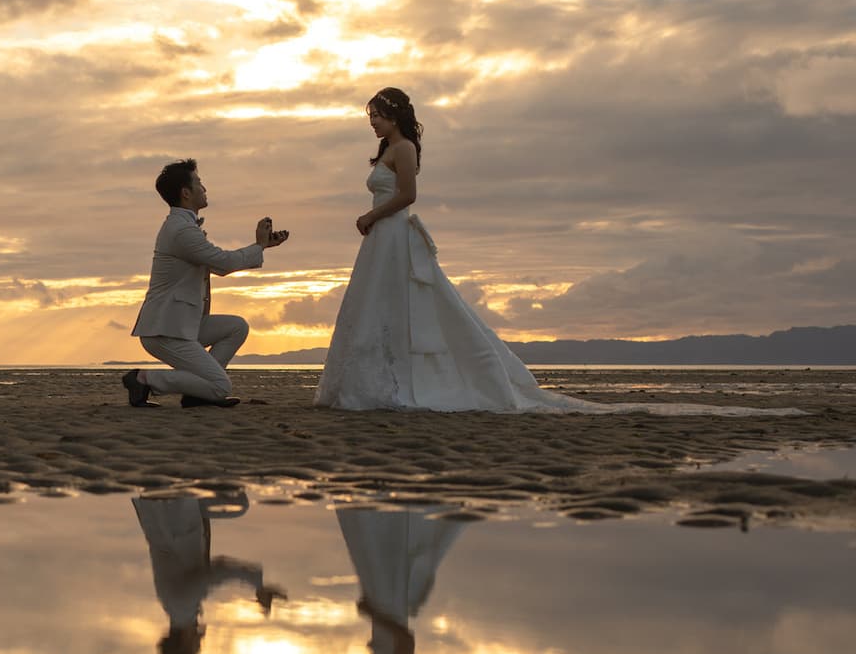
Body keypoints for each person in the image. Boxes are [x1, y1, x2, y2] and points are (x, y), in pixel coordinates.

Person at [314, 89, 802, 416]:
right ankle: (369, 385)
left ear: (394, 115)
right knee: (373, 308)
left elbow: (408, 197)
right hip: (379, 238)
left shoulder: (404, 151)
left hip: (393, 232)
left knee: (410, 306)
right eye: (370, 118)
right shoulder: (382, 151)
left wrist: (370, 217)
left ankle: (411, 384)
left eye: (376, 116)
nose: (372, 124)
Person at [124, 159, 289, 409]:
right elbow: (222, 262)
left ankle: (198, 394)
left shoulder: (185, 227)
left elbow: (216, 264)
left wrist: (262, 246)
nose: (205, 189)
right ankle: (144, 379)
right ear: (186, 193)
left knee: (236, 327)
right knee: (221, 386)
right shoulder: (181, 230)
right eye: (199, 184)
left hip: (183, 323)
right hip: (165, 329)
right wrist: (258, 245)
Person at [337, 505, 466, 654]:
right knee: (385, 550)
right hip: (387, 603)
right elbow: (406, 641)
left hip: (383, 599)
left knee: (374, 547)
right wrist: (375, 615)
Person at [131, 490, 285, 654]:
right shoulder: (176, 608)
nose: (201, 643)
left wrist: (257, 583)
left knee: (238, 504)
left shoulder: (182, 607)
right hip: (171, 510)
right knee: (237, 506)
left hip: (171, 505)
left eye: (196, 649)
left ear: (185, 644)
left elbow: (219, 571)